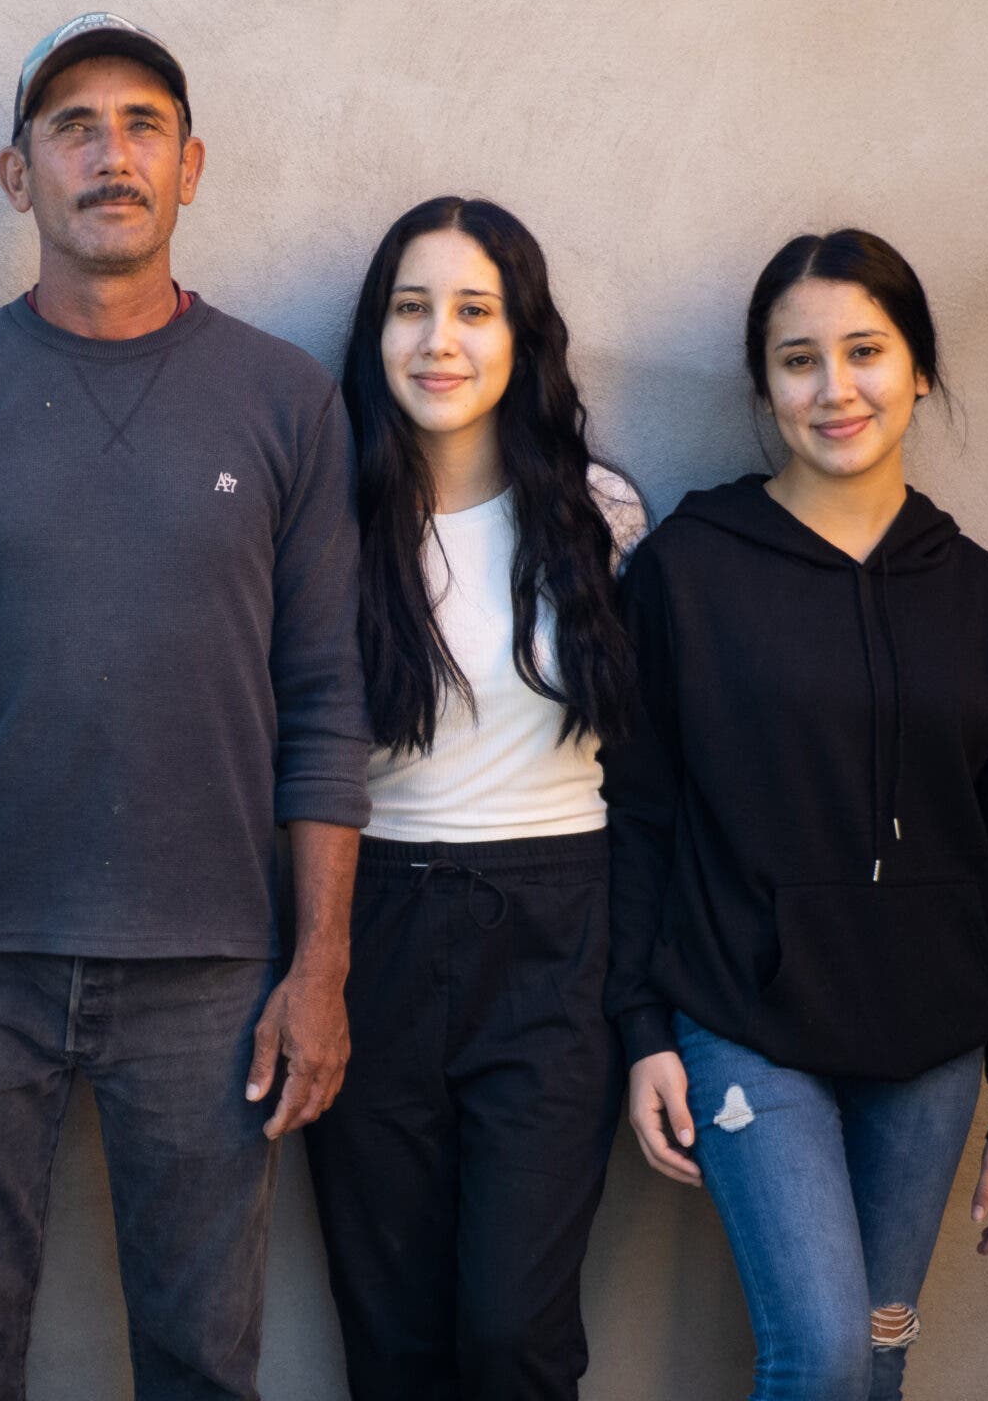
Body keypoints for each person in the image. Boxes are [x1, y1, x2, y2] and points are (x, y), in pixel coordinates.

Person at [0, 13, 371, 1401]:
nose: (111, 154)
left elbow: (326, 696)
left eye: (143, 126)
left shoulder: (286, 401)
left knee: (202, 1358)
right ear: (17, 175)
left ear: (190, 166)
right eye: (74, 127)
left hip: (214, 967)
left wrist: (320, 967)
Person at [607, 229, 988, 1400]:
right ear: (763, 387)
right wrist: (642, 1028)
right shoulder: (687, 572)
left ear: (917, 367)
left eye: (864, 351)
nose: (833, 388)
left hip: (932, 1040)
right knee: (818, 1353)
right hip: (742, 1016)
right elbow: (636, 815)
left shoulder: (987, 600)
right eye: (796, 360)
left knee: (875, 1352)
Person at [302, 196, 646, 1401]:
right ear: (374, 334)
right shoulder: (325, 520)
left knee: (512, 1334)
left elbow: (647, 769)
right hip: (370, 929)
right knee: (391, 1339)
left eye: (473, 310)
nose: (438, 340)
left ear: (521, 334)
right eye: (410, 309)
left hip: (556, 936)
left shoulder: (599, 516)